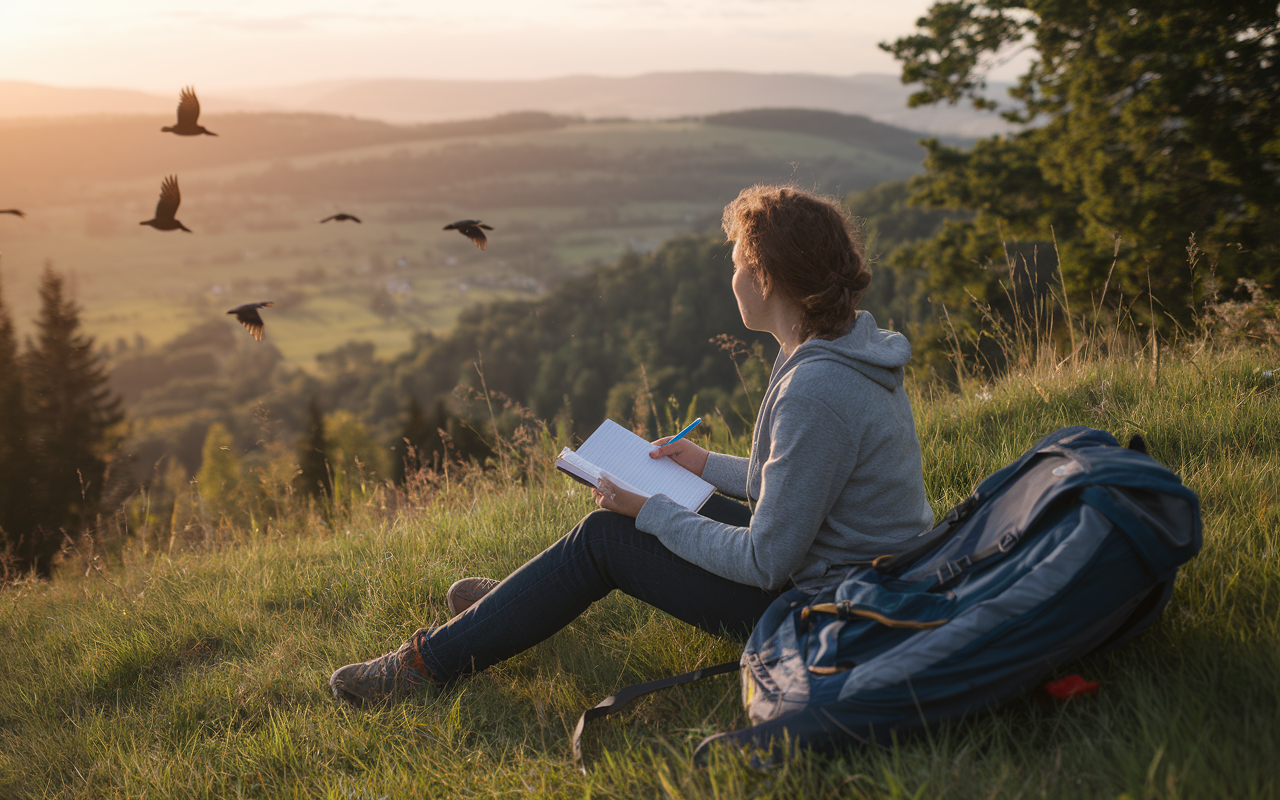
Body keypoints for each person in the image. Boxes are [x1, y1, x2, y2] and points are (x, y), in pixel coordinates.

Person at [328, 184, 936, 704]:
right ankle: (514, 607)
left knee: (608, 536)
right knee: (654, 512)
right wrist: (702, 464)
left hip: (828, 611)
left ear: (767, 277)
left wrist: (651, 513)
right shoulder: (838, 346)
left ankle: (422, 667)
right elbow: (799, 483)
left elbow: (765, 562)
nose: (731, 277)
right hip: (851, 576)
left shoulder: (816, 386)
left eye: (736, 264)